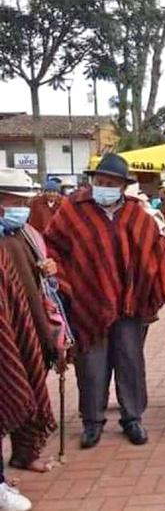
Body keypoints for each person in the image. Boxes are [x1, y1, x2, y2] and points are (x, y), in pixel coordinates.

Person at [45, 154, 165, 449]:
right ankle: (92, 421)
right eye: (100, 181)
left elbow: (156, 247)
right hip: (88, 301)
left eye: (112, 183)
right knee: (91, 363)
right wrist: (61, 277)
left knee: (130, 360)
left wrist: (160, 284)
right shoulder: (73, 209)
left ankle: (132, 418)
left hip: (129, 303)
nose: (104, 187)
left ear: (122, 186)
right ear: (93, 181)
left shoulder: (135, 213)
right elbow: (51, 245)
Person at [0, 169, 68, 511]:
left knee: (26, 388)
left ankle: (24, 455)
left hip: (28, 325)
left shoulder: (25, 234)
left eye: (24, 202)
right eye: (15, 202)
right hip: (7, 331)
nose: (21, 208)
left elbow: (41, 284)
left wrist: (49, 271)